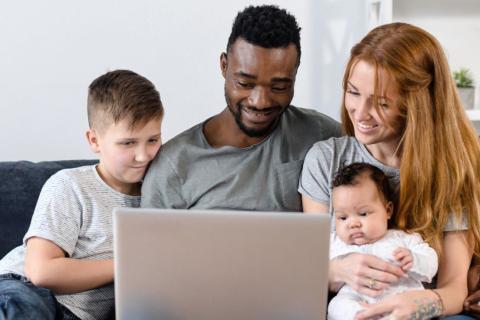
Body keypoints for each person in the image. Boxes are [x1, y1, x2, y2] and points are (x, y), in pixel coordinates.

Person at [299, 22, 480, 319]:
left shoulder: (452, 168)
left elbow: (454, 288)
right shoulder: (326, 160)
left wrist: (419, 304)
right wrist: (338, 269)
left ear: (416, 106)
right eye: (353, 92)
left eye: (381, 103)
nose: (360, 112)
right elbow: (311, 268)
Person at [141, 5, 341, 212]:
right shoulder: (174, 165)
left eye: (279, 87)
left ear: (295, 73)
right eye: (245, 84)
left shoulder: (323, 135)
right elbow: (150, 242)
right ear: (224, 66)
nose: (260, 101)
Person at [0, 70, 164, 320]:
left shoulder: (163, 197)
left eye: (153, 140)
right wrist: (126, 266)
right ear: (94, 140)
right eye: (128, 143)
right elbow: (41, 272)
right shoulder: (71, 185)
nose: (143, 156)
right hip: (26, 288)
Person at [327, 163, 438, 320]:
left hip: (401, 301)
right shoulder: (334, 244)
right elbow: (314, 275)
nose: (352, 224)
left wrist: (414, 260)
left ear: (388, 211)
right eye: (342, 217)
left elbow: (431, 266)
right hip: (358, 300)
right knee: (336, 306)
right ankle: (361, 316)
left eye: (363, 213)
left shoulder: (404, 239)